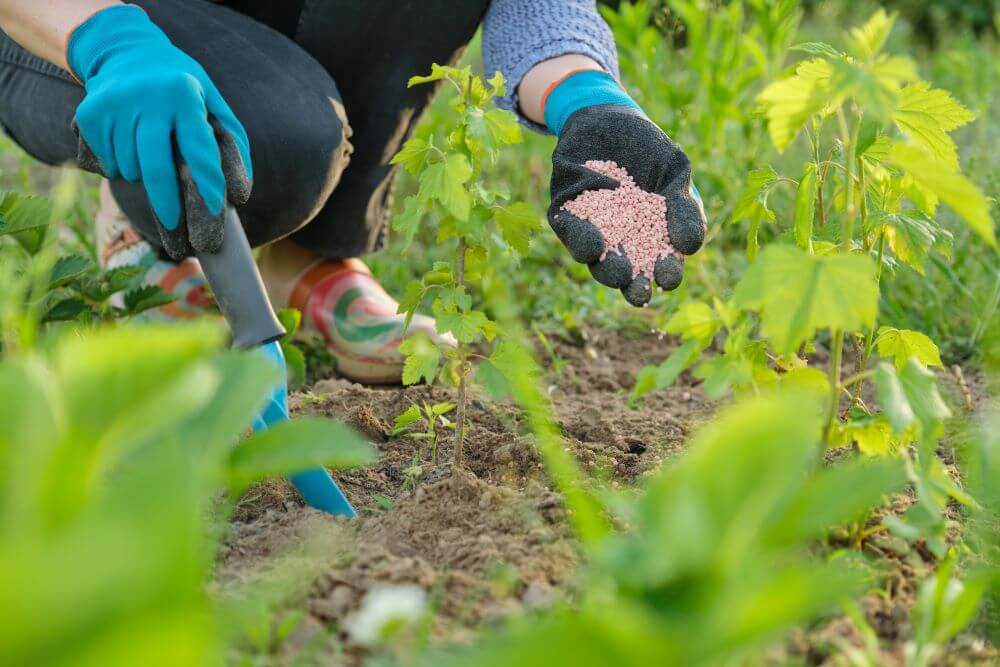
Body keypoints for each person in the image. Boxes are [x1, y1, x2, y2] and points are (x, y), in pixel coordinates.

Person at [0, 0, 706, 384]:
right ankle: (148, 231)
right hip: (66, 22)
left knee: (283, 136)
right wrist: (109, 37)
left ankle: (308, 253)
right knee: (277, 144)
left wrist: (590, 103)